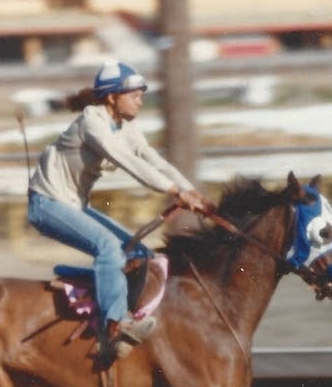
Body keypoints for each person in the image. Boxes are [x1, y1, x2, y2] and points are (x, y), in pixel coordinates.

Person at [27, 60, 212, 361]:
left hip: (74, 204)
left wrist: (193, 193)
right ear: (112, 97)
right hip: (47, 204)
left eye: (141, 94)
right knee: (109, 247)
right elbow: (129, 162)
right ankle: (114, 324)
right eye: (134, 94)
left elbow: (155, 161)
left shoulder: (126, 127)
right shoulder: (92, 123)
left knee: (139, 253)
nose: (140, 100)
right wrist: (175, 192)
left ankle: (118, 306)